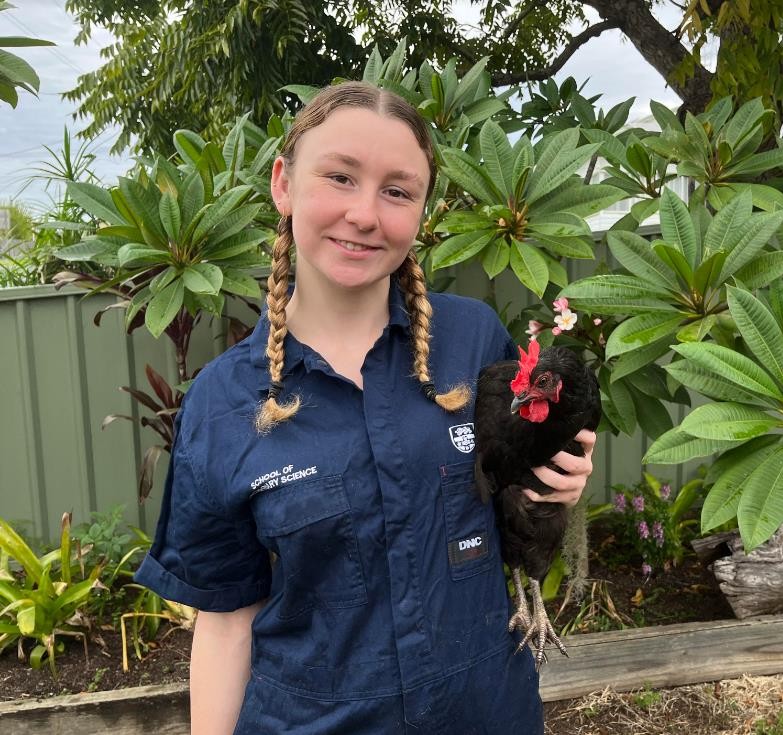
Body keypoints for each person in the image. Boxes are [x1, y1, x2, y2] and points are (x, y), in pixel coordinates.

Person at [133, 80, 596, 735]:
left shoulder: (473, 342)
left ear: (422, 211)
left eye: (397, 191)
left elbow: (509, 492)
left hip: (488, 713)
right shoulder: (224, 402)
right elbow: (226, 623)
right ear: (283, 184)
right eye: (340, 177)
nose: (365, 214)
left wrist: (556, 480)